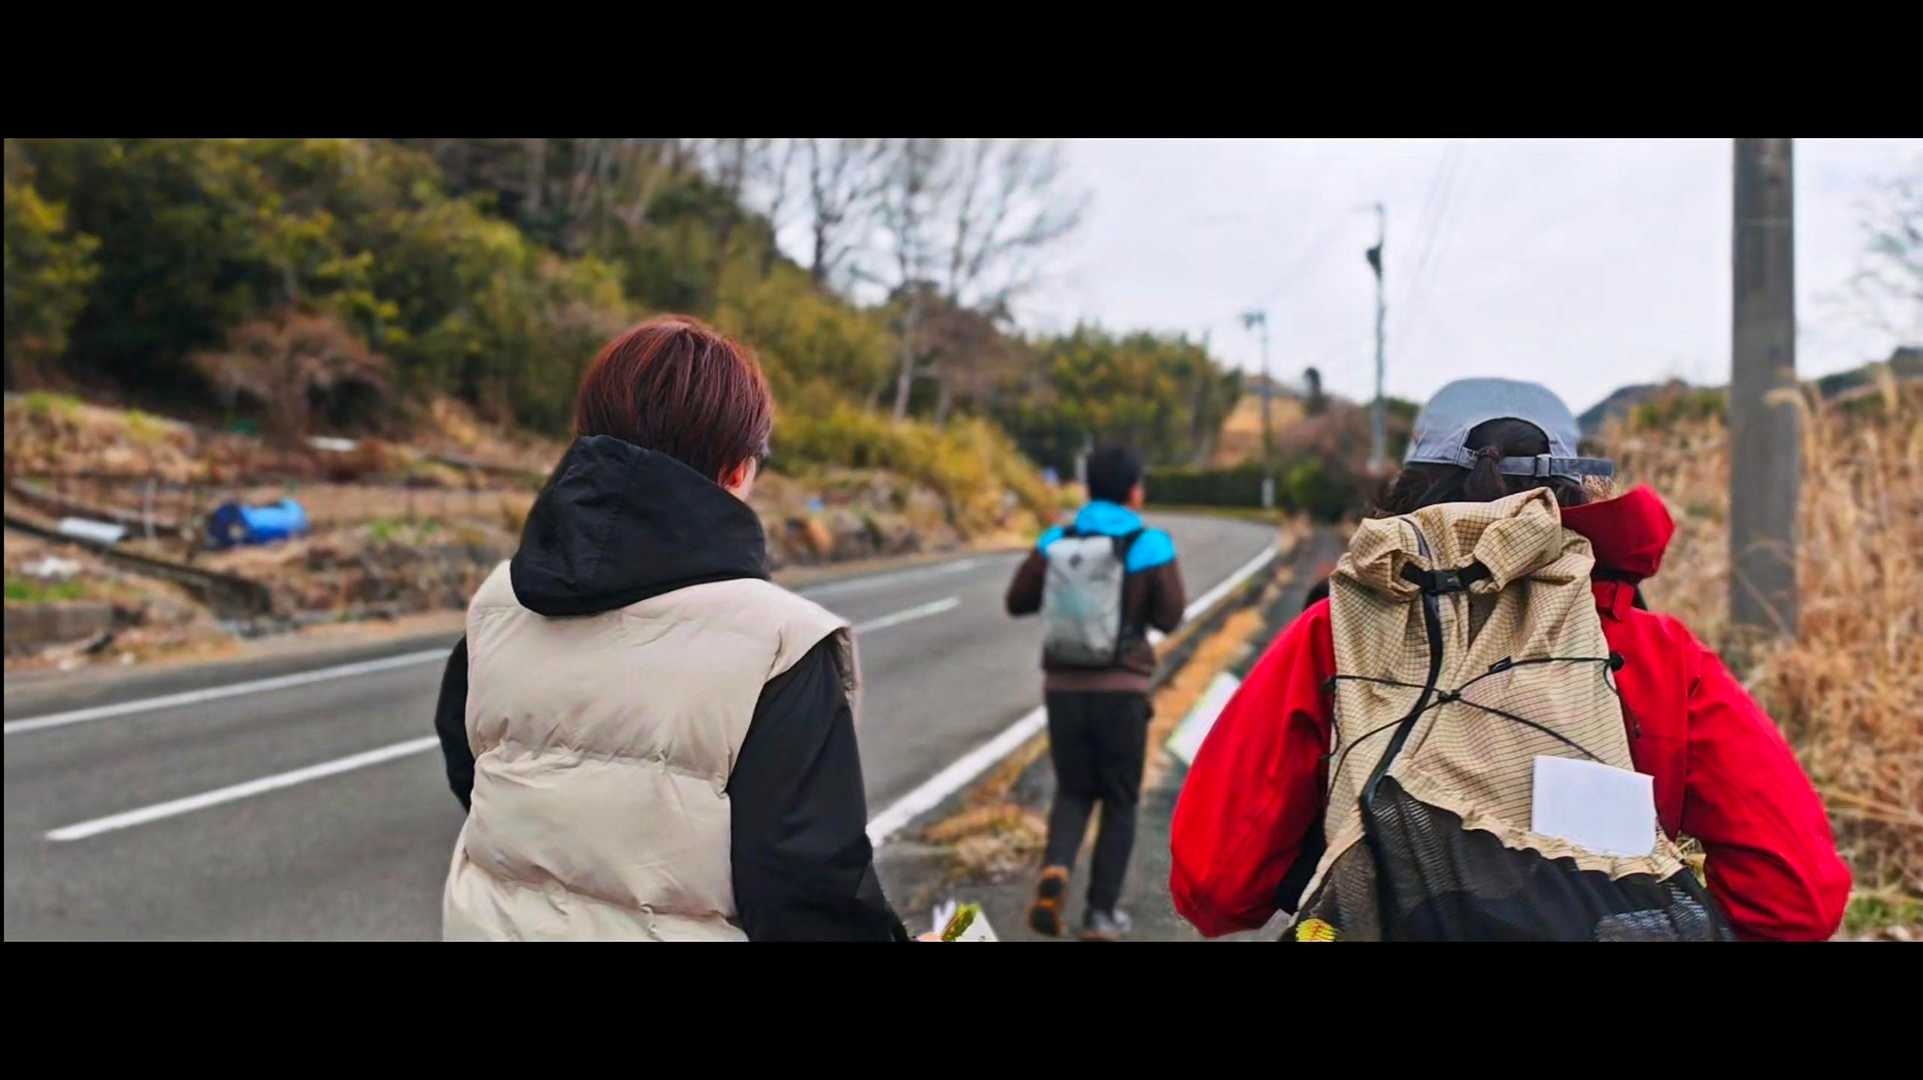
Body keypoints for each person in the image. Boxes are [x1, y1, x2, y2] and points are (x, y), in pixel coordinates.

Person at [1169, 377, 1852, 941]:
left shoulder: (1332, 634)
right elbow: (1796, 900)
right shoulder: (1658, 656)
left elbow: (1213, 887)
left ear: (1411, 490)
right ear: (1574, 497)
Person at [432, 316, 920, 941]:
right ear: (738, 470)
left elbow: (476, 774)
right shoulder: (780, 645)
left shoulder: (498, 605)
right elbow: (809, 899)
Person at [1004, 445, 1186, 940]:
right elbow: (1171, 616)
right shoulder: (1151, 544)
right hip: (1122, 690)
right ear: (1134, 491)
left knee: (1073, 789)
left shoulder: (1056, 540)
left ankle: (1056, 868)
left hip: (1063, 688)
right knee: (1120, 800)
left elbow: (1017, 601)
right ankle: (1101, 915)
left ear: (1088, 488)